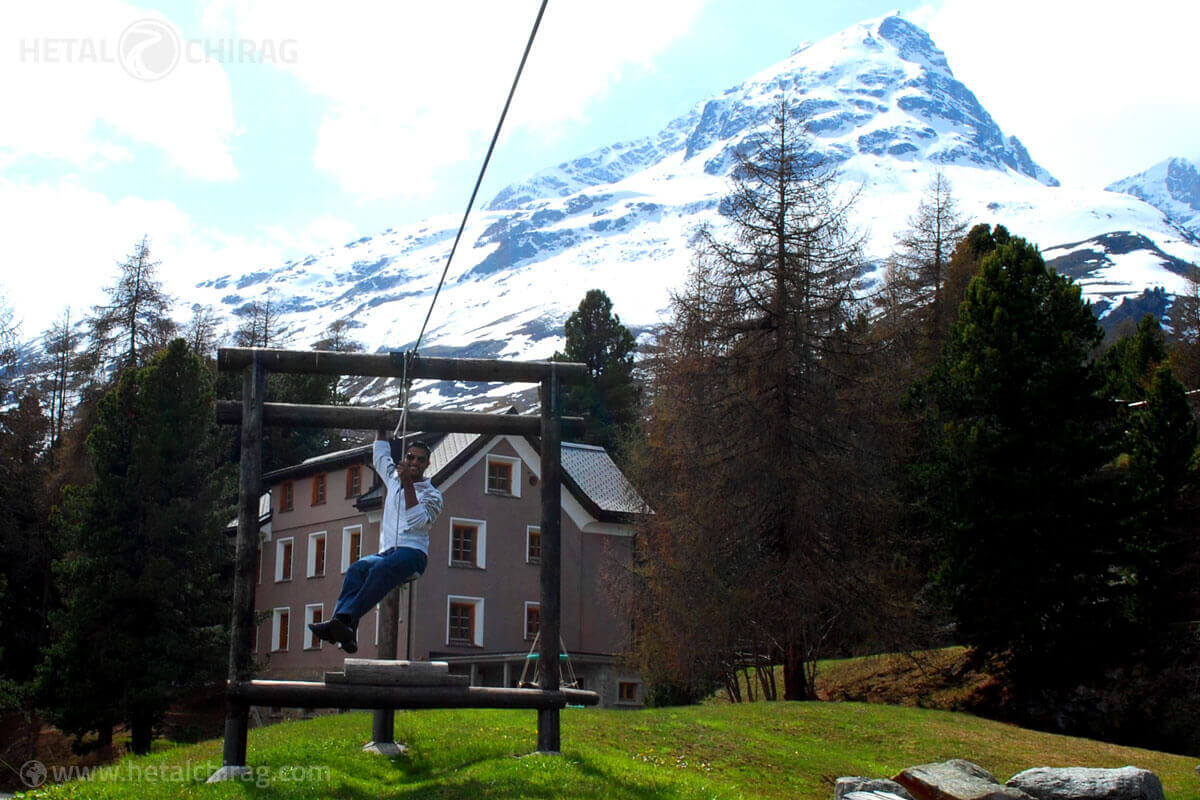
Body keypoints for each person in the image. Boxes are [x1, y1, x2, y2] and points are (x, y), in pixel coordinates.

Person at [309, 430, 443, 654]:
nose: (414, 462)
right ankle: (346, 632)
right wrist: (381, 428)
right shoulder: (393, 479)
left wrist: (408, 484)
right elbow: (381, 456)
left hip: (413, 555)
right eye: (410, 457)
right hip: (388, 552)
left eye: (420, 459)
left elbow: (418, 521)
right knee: (357, 569)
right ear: (405, 458)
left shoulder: (432, 495)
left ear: (427, 464)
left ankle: (345, 620)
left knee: (381, 568)